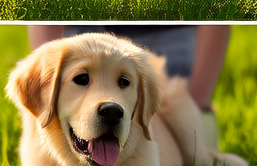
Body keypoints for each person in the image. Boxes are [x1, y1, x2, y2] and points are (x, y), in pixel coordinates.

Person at [27, 25, 230, 149]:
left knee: (200, 148)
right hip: (84, 40)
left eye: (123, 82)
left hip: (173, 56)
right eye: (81, 79)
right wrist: (50, 72)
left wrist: (192, 105)